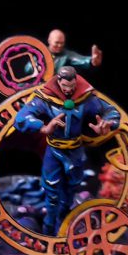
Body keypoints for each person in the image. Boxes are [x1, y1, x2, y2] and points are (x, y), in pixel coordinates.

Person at [14, 66, 120, 235]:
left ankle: (62, 225)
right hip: (54, 152)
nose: (68, 91)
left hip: (75, 152)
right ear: (58, 82)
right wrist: (43, 127)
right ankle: (48, 227)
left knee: (71, 190)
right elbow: (21, 118)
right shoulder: (45, 99)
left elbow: (111, 111)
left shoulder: (86, 98)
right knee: (52, 192)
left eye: (71, 87)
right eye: (65, 86)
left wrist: (107, 123)